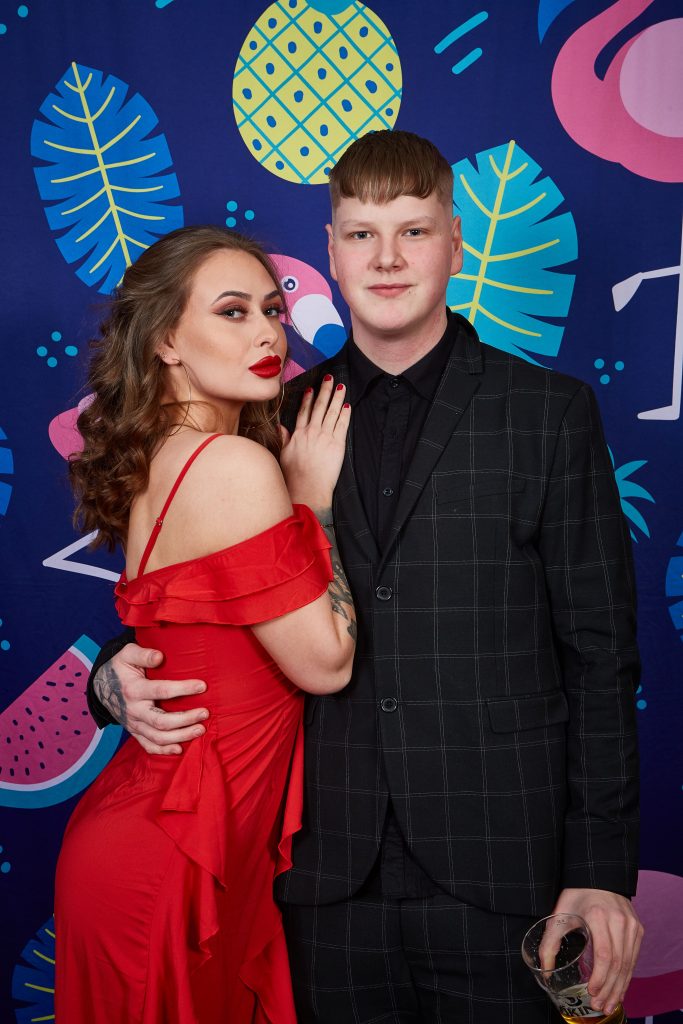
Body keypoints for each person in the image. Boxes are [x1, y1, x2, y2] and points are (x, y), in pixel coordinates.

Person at [86, 132, 642, 1022]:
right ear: (332, 251)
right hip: (315, 878)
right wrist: (111, 677)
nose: (386, 258)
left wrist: (600, 871)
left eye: (412, 231)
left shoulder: (547, 415)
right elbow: (199, 595)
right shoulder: (264, 418)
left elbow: (600, 656)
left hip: (502, 869)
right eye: (359, 234)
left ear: (455, 244)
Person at [55, 225, 357, 1024]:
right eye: (231, 312)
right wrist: (312, 504)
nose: (267, 334)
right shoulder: (231, 465)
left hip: (158, 835)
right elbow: (326, 663)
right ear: (164, 341)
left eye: (272, 310)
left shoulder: (166, 455)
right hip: (173, 857)